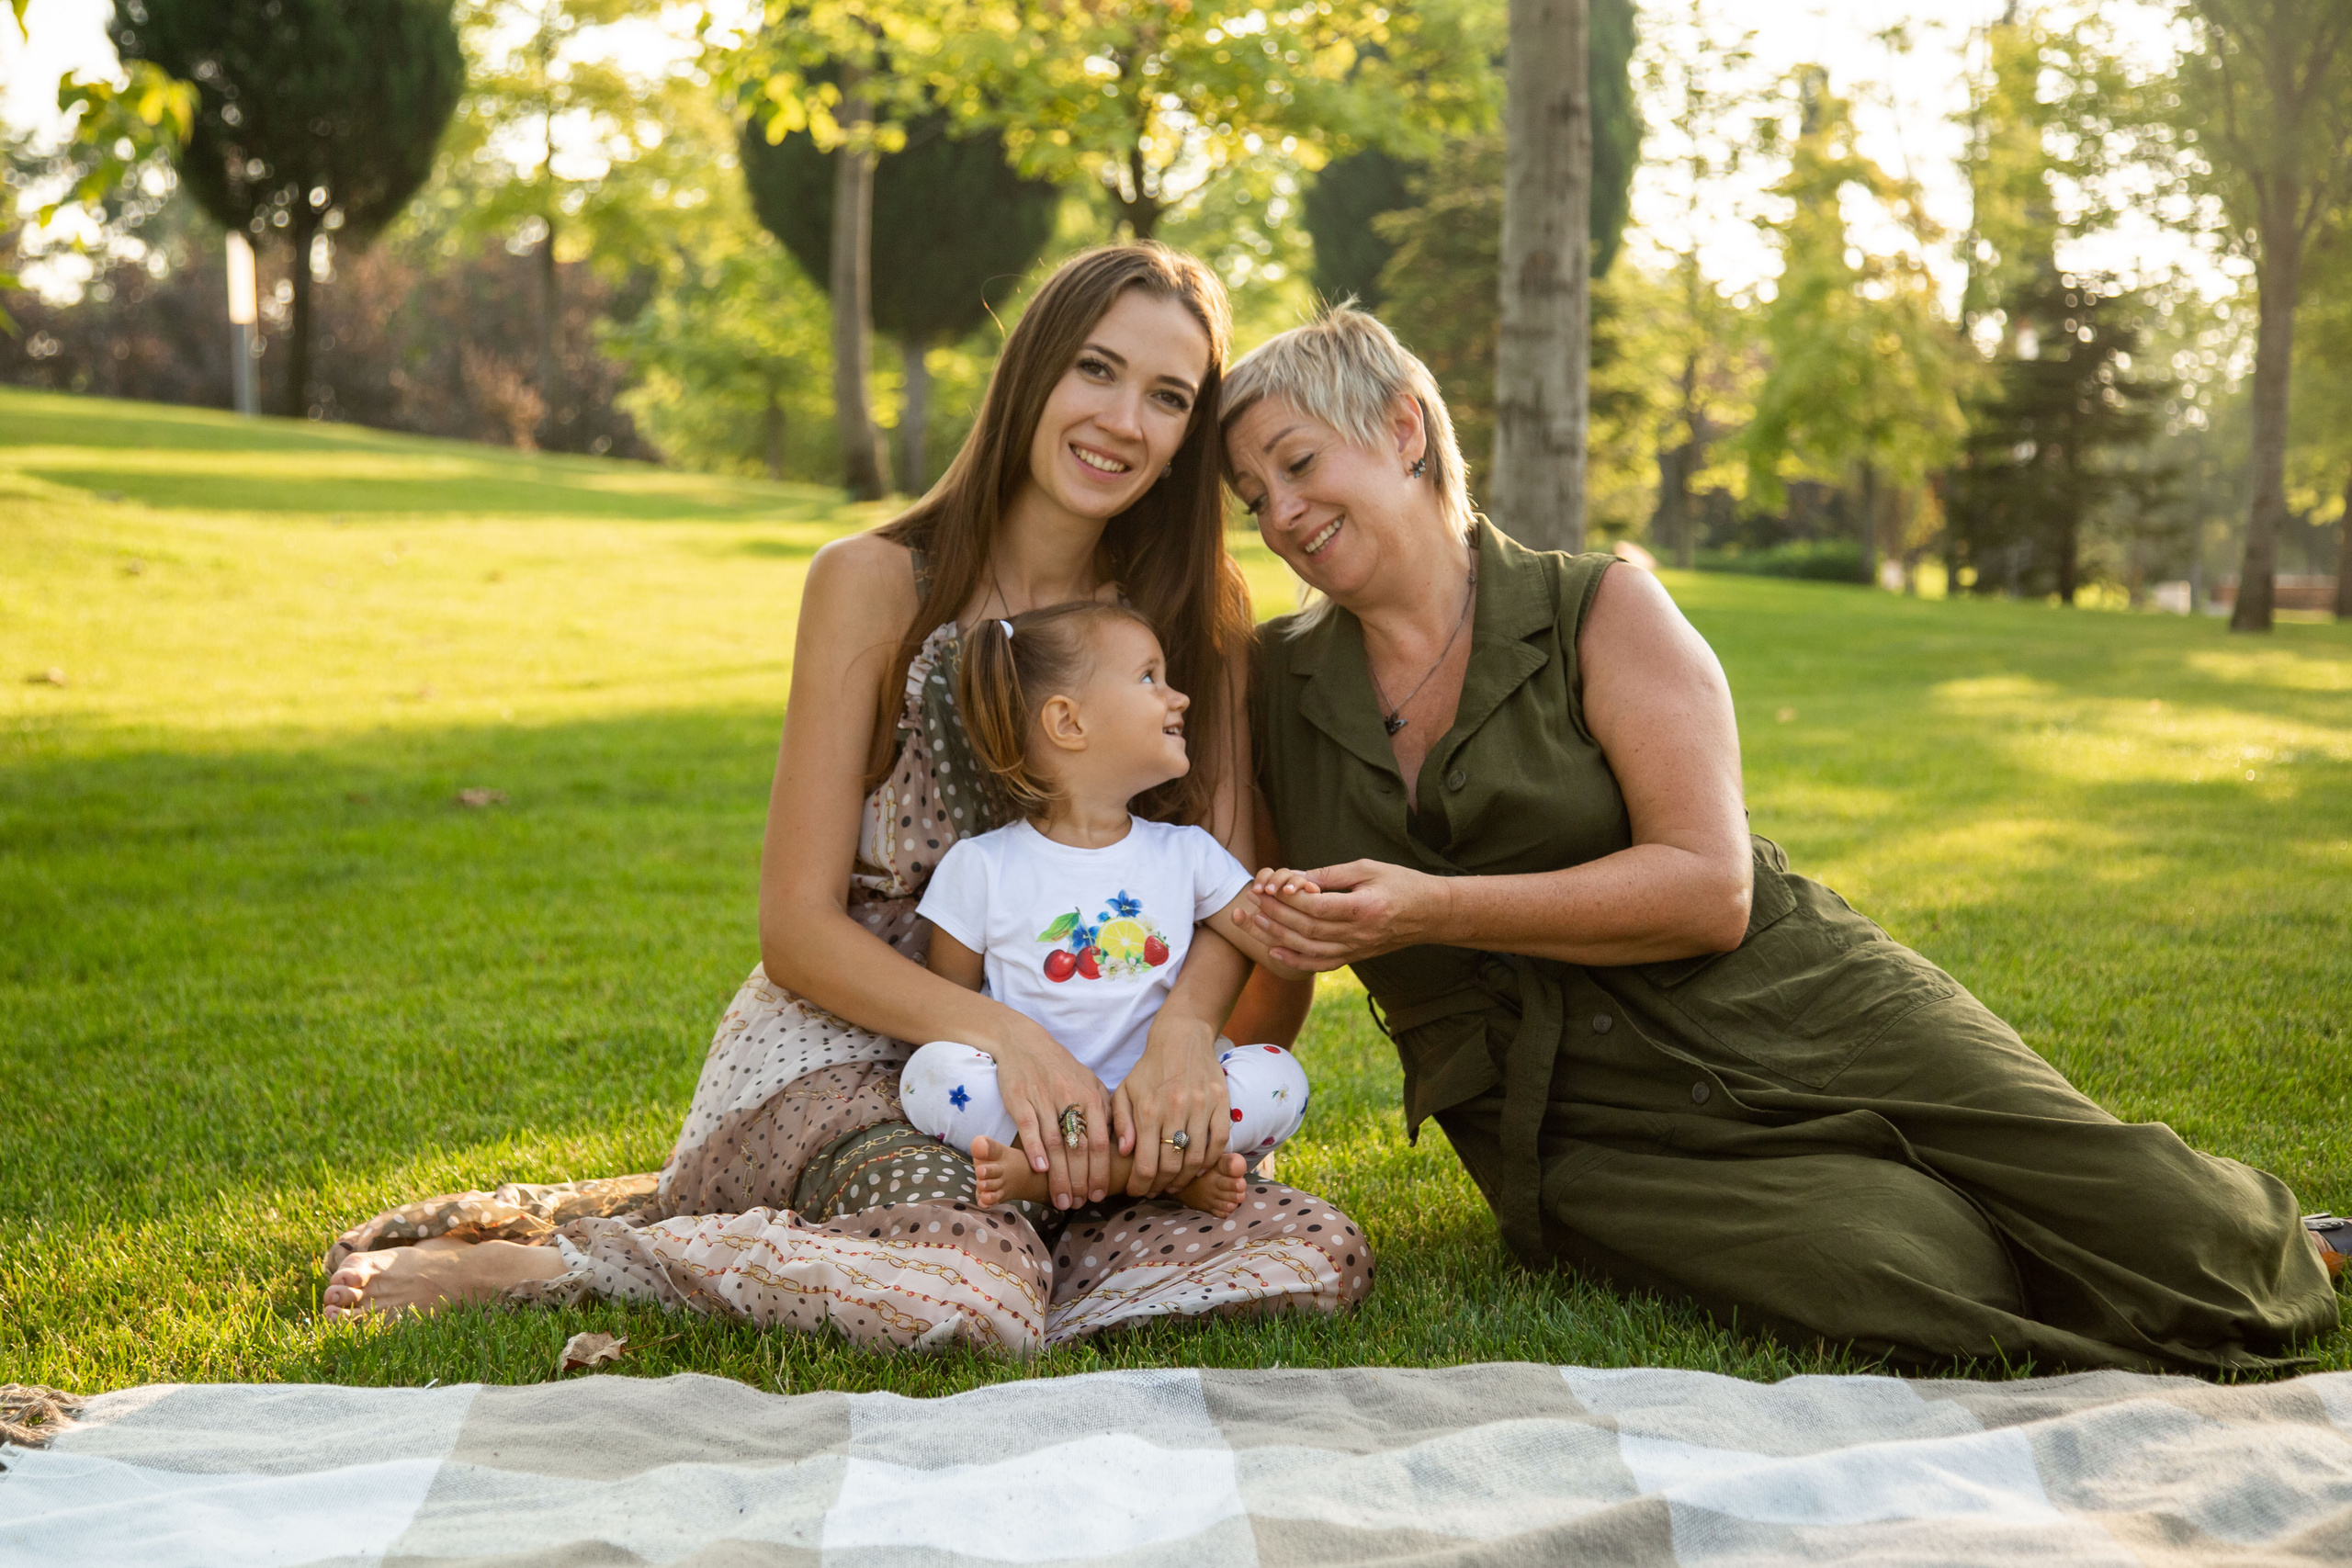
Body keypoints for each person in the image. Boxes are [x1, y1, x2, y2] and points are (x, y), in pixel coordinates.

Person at [1218, 304, 2341, 1373]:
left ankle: (2284, 1242)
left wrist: (1431, 907)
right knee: (1901, 1278)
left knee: (2180, 1234)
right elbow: (1268, 965)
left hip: (1787, 1000)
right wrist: (1200, 1092)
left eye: (1297, 462)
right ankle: (2009, 1248)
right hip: (1565, 1116)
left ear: (1403, 429)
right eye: (1251, 495)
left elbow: (1708, 890)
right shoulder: (1268, 685)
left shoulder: (1601, 608)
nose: (1279, 515)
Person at [319, 245, 1369, 1352]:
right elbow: (797, 930)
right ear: (1031, 374)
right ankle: (581, 1258)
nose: (1123, 419)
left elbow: (1237, 910)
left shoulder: (1200, 619)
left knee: (1308, 1255)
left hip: (1105, 1079)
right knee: (969, 1291)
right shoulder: (872, 584)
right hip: (866, 1052)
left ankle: (988, 1239)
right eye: (1095, 371)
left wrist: (1178, 1051)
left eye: (1167, 398)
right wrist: (1003, 1036)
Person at [898, 601, 1315, 1219]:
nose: (1180, 699)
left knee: (1280, 1077)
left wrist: (1290, 901)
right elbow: (951, 1012)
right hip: (1038, 1105)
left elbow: (1276, 941)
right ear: (1067, 722)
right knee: (928, 1073)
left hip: (1163, 1100)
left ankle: (1055, 1181)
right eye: (1150, 677)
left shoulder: (1188, 853)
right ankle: (1169, 1173)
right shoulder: (981, 866)